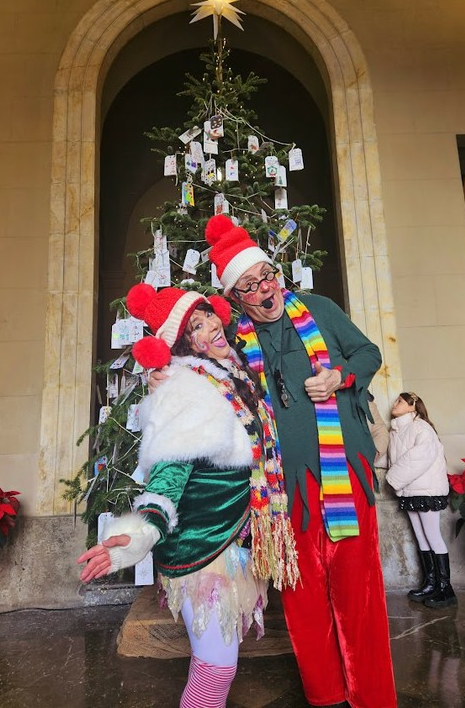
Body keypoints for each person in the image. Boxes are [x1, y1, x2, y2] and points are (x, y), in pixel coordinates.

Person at [202, 214, 397, 708]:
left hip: (343, 470)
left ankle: (373, 696)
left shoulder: (319, 309)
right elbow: (196, 362)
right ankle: (326, 696)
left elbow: (368, 353)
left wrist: (339, 376)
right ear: (236, 298)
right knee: (302, 594)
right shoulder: (235, 340)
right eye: (249, 286)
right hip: (281, 488)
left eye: (266, 275)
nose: (264, 289)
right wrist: (163, 375)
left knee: (359, 591)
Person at [77, 284, 299, 708]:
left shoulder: (233, 373)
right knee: (215, 667)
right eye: (195, 325)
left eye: (208, 314)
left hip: (233, 536)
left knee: (218, 664)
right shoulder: (185, 389)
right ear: (182, 344)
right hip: (203, 546)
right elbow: (169, 471)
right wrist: (143, 531)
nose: (211, 325)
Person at [385, 391, 456, 609]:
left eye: (400, 401)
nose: (395, 404)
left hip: (426, 489)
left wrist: (392, 477)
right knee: (421, 537)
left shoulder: (421, 427)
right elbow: (392, 458)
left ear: (412, 406)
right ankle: (431, 583)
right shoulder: (397, 430)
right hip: (410, 490)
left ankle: (446, 588)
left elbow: (419, 457)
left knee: (433, 536)